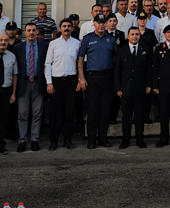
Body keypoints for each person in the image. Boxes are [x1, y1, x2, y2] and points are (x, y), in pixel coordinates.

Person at [77, 13, 117, 149]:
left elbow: (115, 59)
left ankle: (103, 138)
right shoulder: (88, 39)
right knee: (93, 110)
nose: (101, 25)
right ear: (93, 23)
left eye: (103, 22)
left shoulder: (111, 39)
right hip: (92, 78)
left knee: (105, 110)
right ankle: (92, 139)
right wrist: (81, 78)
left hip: (107, 78)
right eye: (98, 22)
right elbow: (80, 60)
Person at [44, 19, 81, 150]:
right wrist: (49, 82)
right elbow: (47, 64)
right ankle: (53, 141)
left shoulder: (77, 43)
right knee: (54, 114)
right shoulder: (53, 44)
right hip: (56, 81)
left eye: (69, 26)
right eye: (64, 26)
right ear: (59, 29)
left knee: (69, 113)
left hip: (71, 81)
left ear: (72, 28)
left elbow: (79, 63)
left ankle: (67, 140)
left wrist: (79, 80)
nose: (66, 28)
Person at [114, 25, 152, 149]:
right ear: (128, 36)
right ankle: (125, 139)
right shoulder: (121, 51)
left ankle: (140, 139)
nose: (135, 36)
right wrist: (118, 88)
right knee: (126, 116)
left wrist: (148, 85)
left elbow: (148, 70)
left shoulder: (145, 50)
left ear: (139, 36)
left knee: (139, 115)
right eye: (132, 34)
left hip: (141, 88)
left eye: (137, 34)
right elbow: (117, 71)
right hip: (126, 88)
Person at [13, 23, 49, 152]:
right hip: (24, 83)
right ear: (25, 32)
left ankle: (35, 140)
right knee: (22, 113)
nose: (31, 33)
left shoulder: (45, 46)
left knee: (37, 113)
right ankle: (22, 140)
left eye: (34, 30)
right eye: (29, 30)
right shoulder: (18, 48)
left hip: (39, 83)